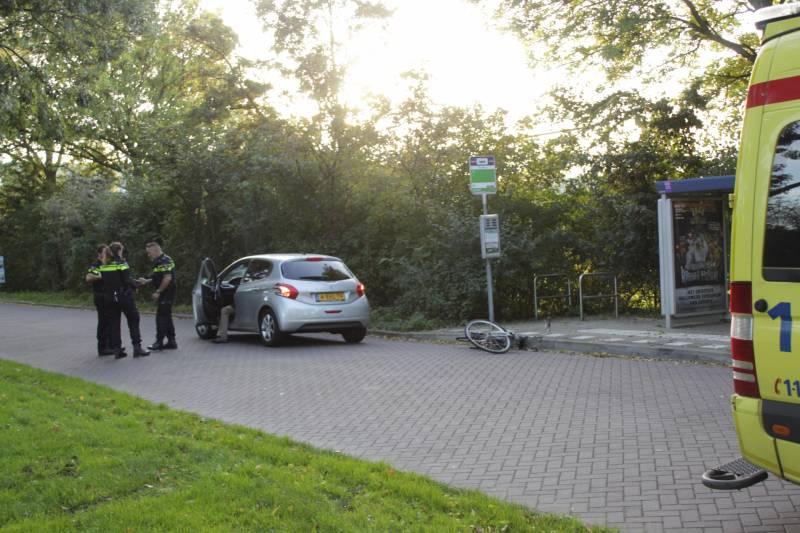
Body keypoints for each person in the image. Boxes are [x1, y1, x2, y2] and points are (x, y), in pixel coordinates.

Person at [100, 241, 150, 359]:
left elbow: (106, 282)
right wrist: (137, 285)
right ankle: (137, 348)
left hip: (110, 298)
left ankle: (117, 350)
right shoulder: (121, 263)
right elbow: (127, 280)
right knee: (133, 319)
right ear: (119, 251)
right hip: (124, 296)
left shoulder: (104, 265)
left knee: (114, 324)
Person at [137, 242, 177, 351]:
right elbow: (158, 277)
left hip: (167, 293)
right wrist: (146, 281)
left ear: (155, 251)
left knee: (161, 317)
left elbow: (167, 278)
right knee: (167, 316)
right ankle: (172, 341)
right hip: (166, 292)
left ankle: (159, 342)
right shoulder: (160, 261)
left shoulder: (164, 261)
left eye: (149, 253)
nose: (149, 255)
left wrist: (158, 291)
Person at [85, 244, 114, 356]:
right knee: (103, 321)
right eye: (104, 252)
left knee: (111, 321)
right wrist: (101, 276)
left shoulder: (109, 264)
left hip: (110, 296)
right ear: (99, 254)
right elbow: (88, 277)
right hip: (101, 296)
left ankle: (111, 345)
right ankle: (102, 347)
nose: (107, 255)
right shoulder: (96, 265)